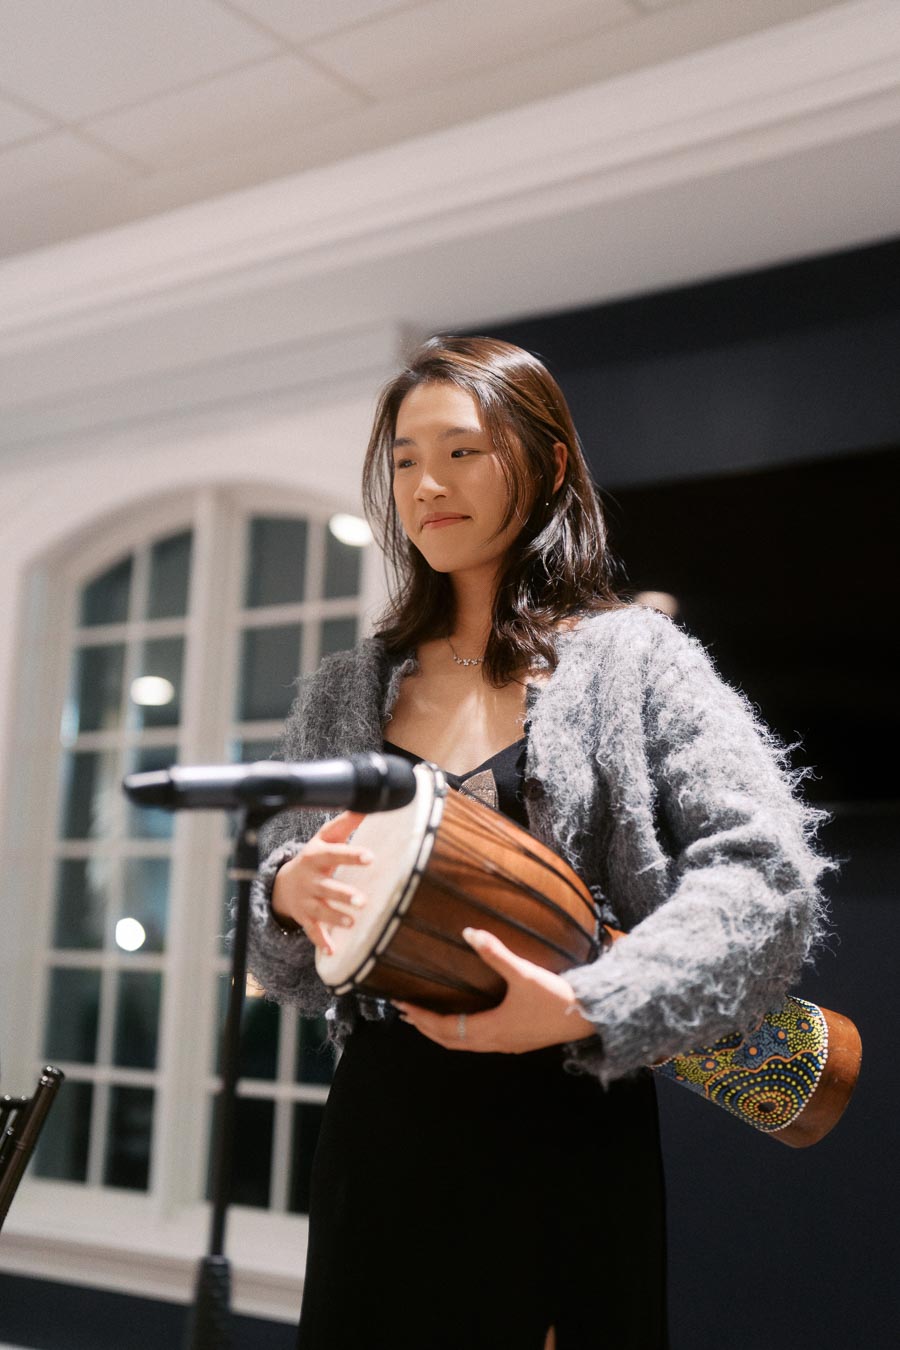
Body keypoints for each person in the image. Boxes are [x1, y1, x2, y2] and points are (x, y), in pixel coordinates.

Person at [247, 336, 831, 1350]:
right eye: (402, 458)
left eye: (463, 451)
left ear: (549, 463)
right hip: (380, 1129)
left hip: (564, 1121)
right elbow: (288, 965)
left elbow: (767, 873)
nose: (427, 483)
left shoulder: (635, 659)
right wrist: (289, 894)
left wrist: (587, 1002)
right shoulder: (344, 689)